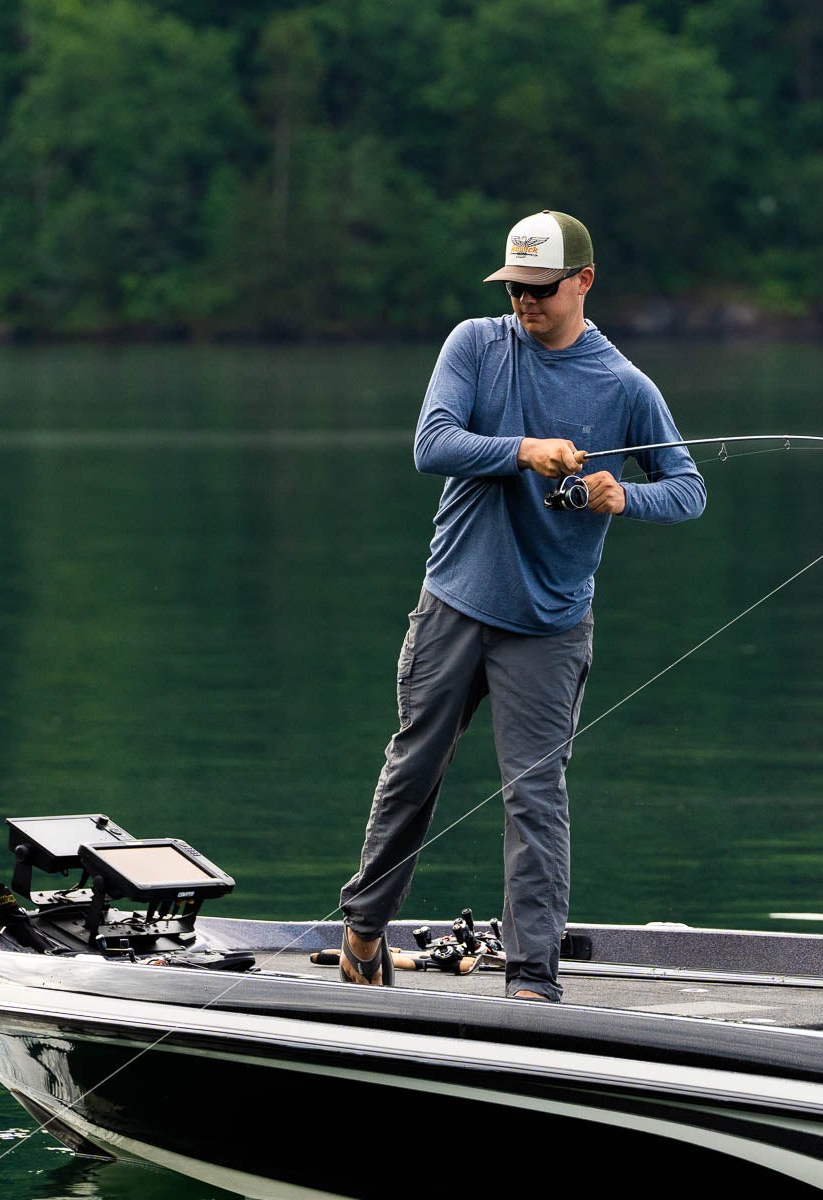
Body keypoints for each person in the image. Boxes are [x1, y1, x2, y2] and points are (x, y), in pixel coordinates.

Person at [337, 210, 706, 1001]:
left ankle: (533, 980)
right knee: (415, 771)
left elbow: (688, 490)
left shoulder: (624, 386)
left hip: (551, 623)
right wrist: (522, 450)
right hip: (454, 602)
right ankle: (363, 932)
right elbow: (430, 445)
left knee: (535, 796)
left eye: (540, 289)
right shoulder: (474, 344)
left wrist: (622, 497)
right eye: (514, 288)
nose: (525, 304)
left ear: (584, 281)